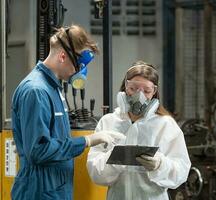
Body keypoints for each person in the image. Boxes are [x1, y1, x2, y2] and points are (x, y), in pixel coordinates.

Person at [11, 25, 124, 200]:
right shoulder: (36, 91)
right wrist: (87, 141)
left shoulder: (53, 88)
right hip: (39, 191)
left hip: (55, 189)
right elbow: (38, 151)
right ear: (63, 56)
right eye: (79, 64)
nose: (80, 71)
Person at [86, 61, 191, 200]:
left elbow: (181, 171)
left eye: (146, 91)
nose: (139, 96)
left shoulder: (165, 125)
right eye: (133, 89)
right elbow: (94, 172)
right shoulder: (108, 122)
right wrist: (114, 158)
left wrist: (160, 165)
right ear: (125, 88)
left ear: (154, 92)